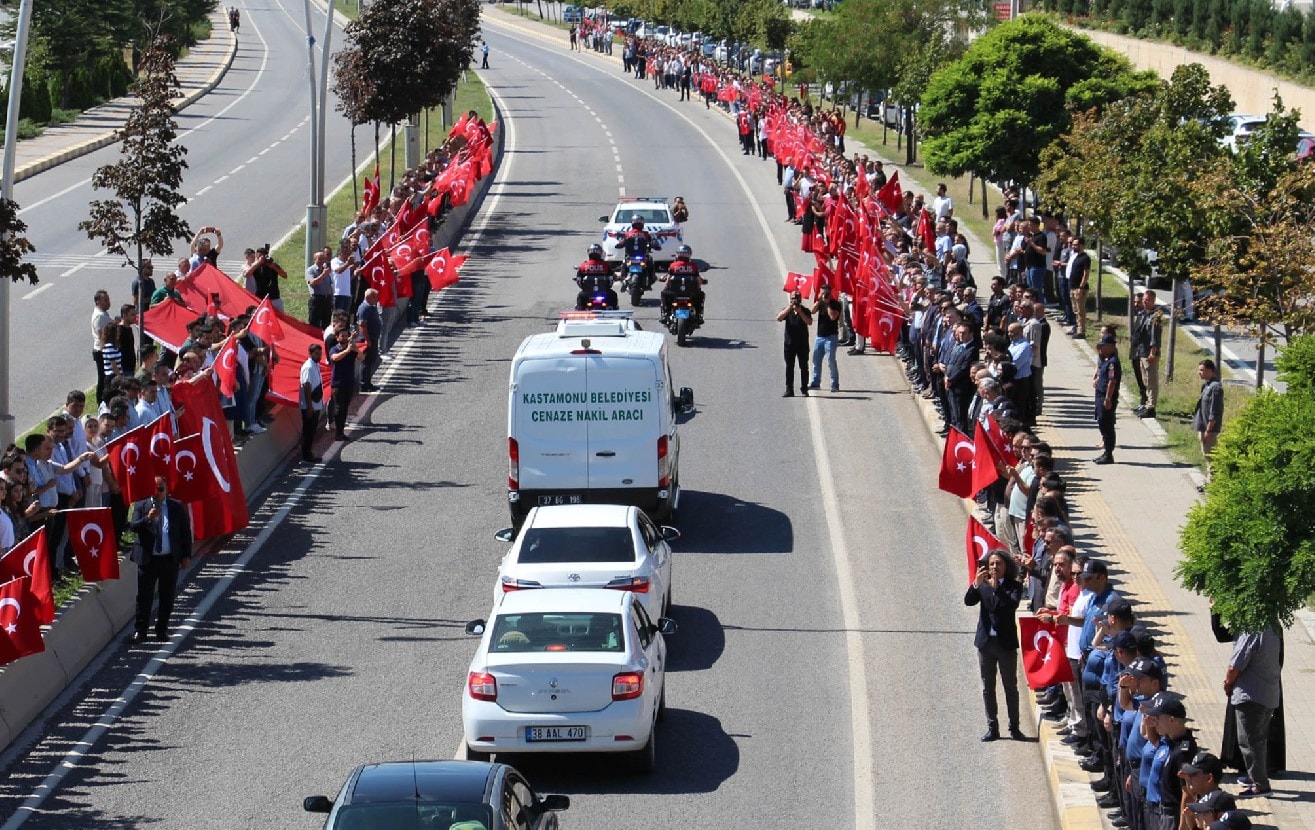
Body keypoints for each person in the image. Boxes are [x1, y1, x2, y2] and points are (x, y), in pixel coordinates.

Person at [965, 549, 1026, 742]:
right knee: (988, 687)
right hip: (986, 643)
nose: (994, 567)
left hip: (1005, 644)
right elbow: (968, 601)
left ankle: (1014, 727)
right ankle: (992, 727)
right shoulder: (982, 585)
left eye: (998, 563)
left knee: (1010, 687)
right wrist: (976, 584)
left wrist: (997, 588)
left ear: (1006, 566)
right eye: (991, 564)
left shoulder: (1014, 586)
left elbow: (1009, 606)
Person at [130, 475, 192, 643]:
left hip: (169, 559)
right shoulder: (141, 505)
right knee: (144, 597)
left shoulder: (176, 507)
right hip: (148, 559)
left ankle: (162, 630)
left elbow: (185, 533)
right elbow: (133, 527)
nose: (157, 492)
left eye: (161, 488)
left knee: (167, 596)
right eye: (154, 489)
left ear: (167, 489)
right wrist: (147, 518)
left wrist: (186, 555)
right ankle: (140, 631)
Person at [1225, 627, 1281, 798]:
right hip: (1268, 693)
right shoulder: (1272, 628)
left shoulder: (1251, 631)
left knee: (1249, 741)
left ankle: (1260, 785)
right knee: (1259, 740)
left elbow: (1235, 665)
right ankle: (1254, 776)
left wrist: (1228, 683)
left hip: (1250, 695)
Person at [328, 327, 364, 441]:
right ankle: (338, 433)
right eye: (341, 336)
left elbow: (361, 357)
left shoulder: (351, 349)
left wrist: (355, 348)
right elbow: (335, 358)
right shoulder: (334, 349)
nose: (344, 338)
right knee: (339, 408)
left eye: (345, 335)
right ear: (337, 338)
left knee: (345, 408)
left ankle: (341, 432)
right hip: (337, 384)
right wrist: (347, 350)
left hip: (349, 383)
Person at [1130, 290, 1163, 419]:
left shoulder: (1155, 316)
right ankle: (1146, 404)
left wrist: (1153, 353)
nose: (1144, 302)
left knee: (1151, 381)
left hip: (1149, 353)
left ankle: (1151, 407)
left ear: (1153, 301)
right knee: (1145, 381)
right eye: (1144, 299)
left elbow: (1155, 337)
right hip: (1141, 351)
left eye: (1147, 300)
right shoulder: (1143, 314)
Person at [1193, 359, 1223, 486]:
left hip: (1209, 429)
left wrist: (1209, 430)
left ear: (1210, 370)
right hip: (1203, 427)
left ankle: (1212, 484)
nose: (1199, 372)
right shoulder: (1207, 385)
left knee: (1211, 457)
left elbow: (1214, 411)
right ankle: (1209, 481)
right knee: (1207, 455)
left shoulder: (1216, 387)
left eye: (1202, 370)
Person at [776, 291, 812, 397]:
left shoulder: (805, 310)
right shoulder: (787, 310)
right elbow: (779, 318)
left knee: (804, 367)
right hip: (789, 344)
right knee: (789, 367)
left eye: (796, 298)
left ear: (800, 299)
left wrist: (800, 312)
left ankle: (804, 389)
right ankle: (789, 389)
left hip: (802, 344)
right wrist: (789, 308)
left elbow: (809, 322)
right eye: (792, 298)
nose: (794, 300)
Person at [1093, 331, 1121, 464]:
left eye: (1103, 346)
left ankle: (1108, 454)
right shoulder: (1107, 359)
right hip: (1100, 395)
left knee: (1107, 425)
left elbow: (1112, 381)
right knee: (1102, 423)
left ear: (1110, 346)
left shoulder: (1112, 362)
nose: (1101, 348)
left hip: (1106, 397)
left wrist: (1108, 398)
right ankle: (1106, 452)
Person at [808, 285, 842, 393]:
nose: (822, 295)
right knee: (816, 360)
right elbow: (812, 311)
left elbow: (833, 317)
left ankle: (835, 383)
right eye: (821, 293)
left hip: (831, 337)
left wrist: (827, 304)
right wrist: (818, 301)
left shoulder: (836, 304)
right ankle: (816, 382)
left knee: (831, 361)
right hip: (820, 336)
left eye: (824, 293)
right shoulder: (820, 303)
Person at [659, 245, 705, 322]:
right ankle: (698, 315)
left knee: (664, 294)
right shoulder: (693, 266)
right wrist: (698, 288)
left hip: (674, 293)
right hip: (691, 293)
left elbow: (668, 280)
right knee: (701, 295)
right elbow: (698, 280)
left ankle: (666, 314)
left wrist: (666, 286)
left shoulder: (673, 265)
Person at [300, 344, 325, 463]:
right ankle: (306, 455)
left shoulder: (315, 365)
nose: (319, 356)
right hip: (310, 405)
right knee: (308, 431)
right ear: (310, 354)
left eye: (320, 354)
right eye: (316, 354)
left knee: (312, 430)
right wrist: (309, 406)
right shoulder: (308, 367)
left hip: (315, 403)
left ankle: (308, 452)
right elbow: (306, 386)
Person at [356, 288, 383, 393]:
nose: (377, 299)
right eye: (375, 297)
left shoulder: (371, 307)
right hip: (368, 339)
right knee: (366, 361)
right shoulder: (364, 308)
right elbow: (362, 325)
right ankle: (363, 384)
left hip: (373, 338)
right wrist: (367, 340)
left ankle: (368, 382)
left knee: (371, 360)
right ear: (369, 297)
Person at [575, 243, 617, 310]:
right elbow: (611, 277)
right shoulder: (605, 265)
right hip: (605, 293)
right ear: (600, 253)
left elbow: (579, 279)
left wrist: (584, 288)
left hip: (587, 294)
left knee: (580, 296)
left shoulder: (584, 265)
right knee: (613, 295)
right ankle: (613, 310)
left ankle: (580, 309)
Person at [90, 290, 113, 403]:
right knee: (103, 378)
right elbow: (101, 335)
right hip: (101, 351)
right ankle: (101, 401)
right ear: (97, 302)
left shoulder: (103, 314)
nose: (108, 302)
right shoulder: (99, 316)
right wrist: (107, 351)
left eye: (108, 299)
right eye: (105, 300)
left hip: (103, 350)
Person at [305, 248, 334, 329]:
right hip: (317, 299)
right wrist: (323, 275)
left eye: (323, 259)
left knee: (326, 324)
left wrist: (331, 299)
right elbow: (312, 282)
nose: (322, 261)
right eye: (320, 259)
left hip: (327, 300)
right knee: (315, 324)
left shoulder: (326, 270)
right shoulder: (311, 270)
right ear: (315, 260)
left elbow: (329, 285)